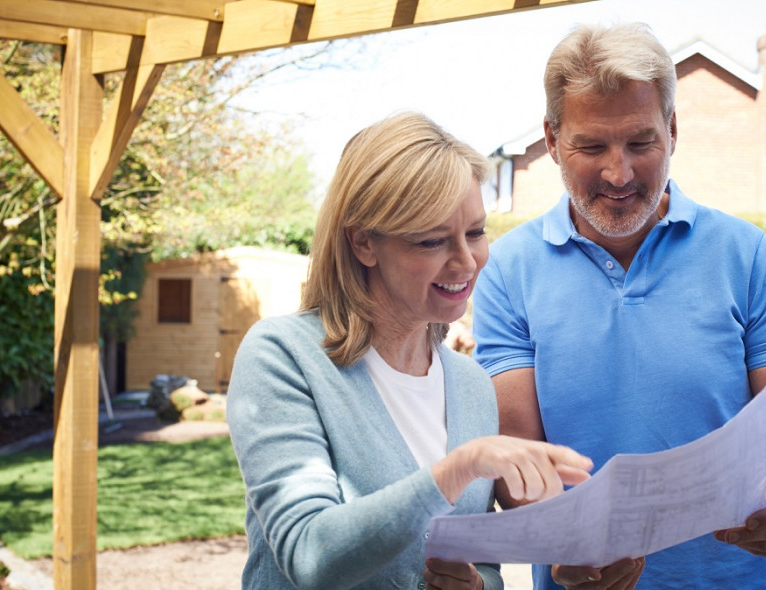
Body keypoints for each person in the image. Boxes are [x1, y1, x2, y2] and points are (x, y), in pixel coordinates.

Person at [472, 23, 766, 590]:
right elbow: (518, 465)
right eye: (591, 146)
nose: (619, 174)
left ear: (672, 131)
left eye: (640, 143)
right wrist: (566, 547)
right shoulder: (507, 270)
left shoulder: (744, 256)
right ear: (552, 140)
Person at [227, 112, 595, 590]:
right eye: (432, 241)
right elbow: (309, 553)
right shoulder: (282, 356)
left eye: (477, 233)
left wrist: (476, 585)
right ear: (363, 242)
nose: (466, 262)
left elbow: (477, 563)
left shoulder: (469, 383)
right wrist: (460, 468)